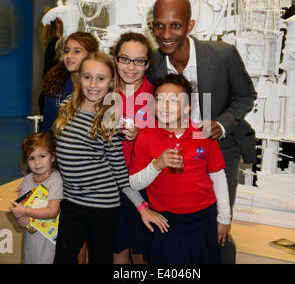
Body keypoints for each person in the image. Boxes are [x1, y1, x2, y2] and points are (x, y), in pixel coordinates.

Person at [146, 0, 257, 263]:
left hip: (220, 149)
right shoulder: (154, 66)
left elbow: (246, 96)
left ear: (190, 26)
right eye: (159, 25)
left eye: (175, 25)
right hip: (177, 152)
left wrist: (221, 123)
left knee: (220, 223)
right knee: (180, 224)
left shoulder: (223, 54)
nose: (166, 33)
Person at [52, 51, 168, 264]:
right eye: (88, 77)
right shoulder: (66, 111)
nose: (93, 84)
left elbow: (120, 174)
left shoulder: (108, 121)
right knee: (63, 258)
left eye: (101, 78)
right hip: (71, 203)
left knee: (101, 259)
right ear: (79, 78)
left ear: (111, 82)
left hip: (103, 208)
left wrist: (142, 207)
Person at [129, 73, 231, 264]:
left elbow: (217, 175)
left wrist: (224, 217)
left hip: (204, 218)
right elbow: (134, 182)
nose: (165, 106)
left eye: (174, 100)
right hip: (166, 221)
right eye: (159, 99)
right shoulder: (146, 137)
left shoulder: (202, 134)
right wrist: (157, 165)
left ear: (187, 106)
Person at [113, 32, 156, 264]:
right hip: (110, 184)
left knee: (141, 252)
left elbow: (166, 140)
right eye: (124, 59)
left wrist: (141, 136)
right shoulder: (102, 91)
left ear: (148, 63)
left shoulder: (157, 95)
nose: (131, 67)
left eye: (139, 61)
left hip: (145, 182)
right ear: (116, 59)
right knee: (117, 247)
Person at [10, 132, 63, 264]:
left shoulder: (55, 180)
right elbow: (22, 209)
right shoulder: (27, 180)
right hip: (31, 241)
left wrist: (24, 212)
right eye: (31, 158)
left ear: (53, 156)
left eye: (42, 156)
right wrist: (20, 219)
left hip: (50, 243)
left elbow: (52, 211)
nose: (37, 162)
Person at [41, 31, 99, 132]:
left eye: (77, 51)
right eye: (67, 51)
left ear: (91, 55)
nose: (69, 55)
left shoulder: (100, 88)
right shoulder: (55, 88)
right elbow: (47, 129)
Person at [38, 8, 63, 115]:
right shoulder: (56, 45)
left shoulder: (53, 43)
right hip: (52, 97)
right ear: (58, 23)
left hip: (50, 96)